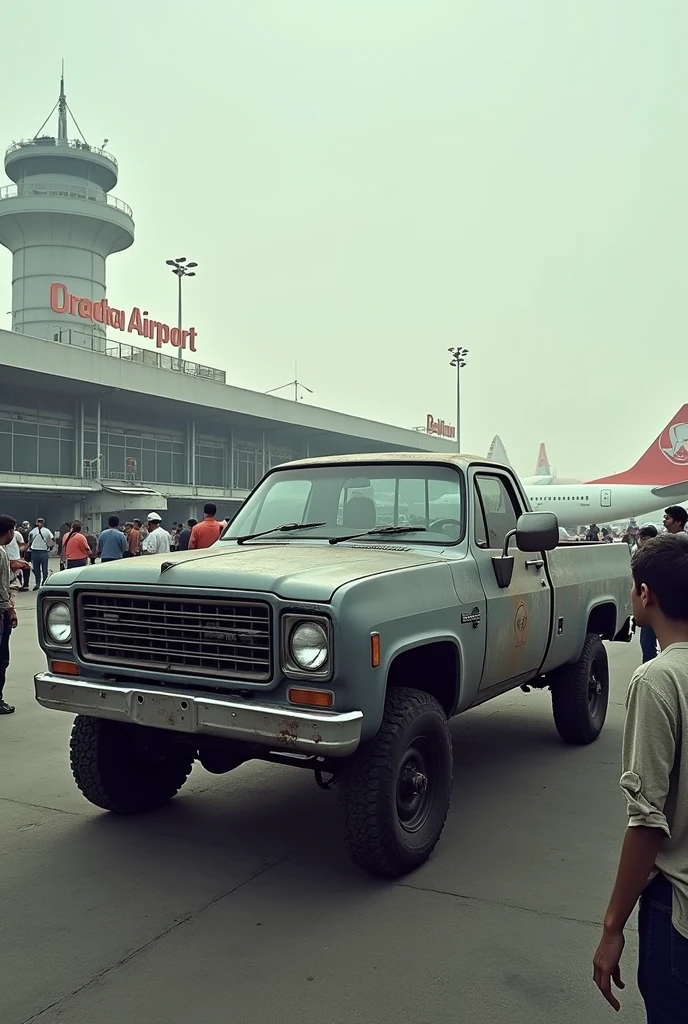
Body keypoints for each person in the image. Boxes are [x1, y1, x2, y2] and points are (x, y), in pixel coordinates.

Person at [593, 533, 688, 1019]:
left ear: (645, 594)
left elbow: (648, 821)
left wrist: (613, 927)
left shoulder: (658, 680)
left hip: (676, 916)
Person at [0, 513, 19, 714]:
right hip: (0, 610)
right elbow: (2, 587)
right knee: (1, 658)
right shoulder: (1, 553)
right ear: (10, 531)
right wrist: (10, 610)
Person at [636, 525, 659, 663]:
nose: (642, 540)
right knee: (646, 642)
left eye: (645, 537)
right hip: (647, 604)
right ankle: (649, 665)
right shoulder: (639, 554)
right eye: (641, 537)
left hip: (658, 603)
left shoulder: (661, 555)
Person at [28, 517, 54, 590]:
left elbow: (52, 539)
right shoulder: (33, 531)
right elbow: (29, 540)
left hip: (44, 551)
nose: (40, 523)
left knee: (44, 569)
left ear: (43, 523)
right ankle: (37, 583)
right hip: (34, 551)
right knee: (36, 569)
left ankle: (44, 582)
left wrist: (51, 546)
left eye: (41, 522)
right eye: (38, 522)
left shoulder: (47, 531)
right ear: (36, 523)